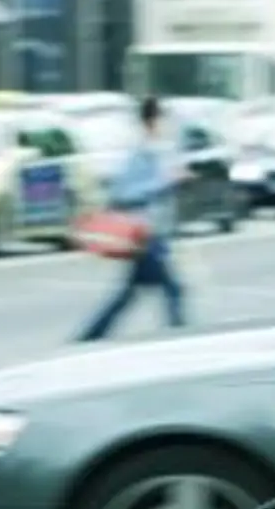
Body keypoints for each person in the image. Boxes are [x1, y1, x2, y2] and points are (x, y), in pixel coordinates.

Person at [77, 95, 193, 342]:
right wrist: (166, 182)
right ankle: (180, 338)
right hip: (145, 234)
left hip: (153, 233)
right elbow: (123, 193)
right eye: (163, 119)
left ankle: (89, 337)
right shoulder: (142, 153)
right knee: (172, 290)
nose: (167, 125)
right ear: (153, 121)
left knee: (129, 295)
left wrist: (176, 182)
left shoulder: (158, 151)